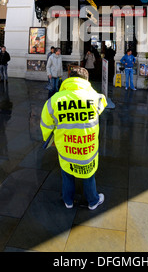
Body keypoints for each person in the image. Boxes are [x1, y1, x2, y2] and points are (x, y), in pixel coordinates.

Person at [40, 66, 107, 209]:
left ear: (68, 78)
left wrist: (50, 141)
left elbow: (45, 124)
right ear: (86, 81)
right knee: (88, 175)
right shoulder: (94, 97)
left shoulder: (54, 100)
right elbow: (102, 105)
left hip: (66, 147)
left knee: (67, 175)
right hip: (86, 147)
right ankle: (93, 201)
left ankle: (68, 201)